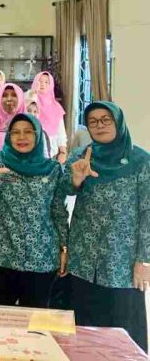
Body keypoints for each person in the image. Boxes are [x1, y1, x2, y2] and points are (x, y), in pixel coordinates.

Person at [64, 102, 150, 351]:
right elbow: (61, 190)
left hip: (121, 261)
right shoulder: (81, 156)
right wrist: (75, 181)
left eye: (105, 120)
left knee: (121, 332)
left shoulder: (141, 160)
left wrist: (144, 260)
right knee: (83, 330)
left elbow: (148, 211)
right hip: (83, 258)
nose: (99, 125)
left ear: (118, 122)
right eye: (93, 121)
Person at [0, 113, 68, 307]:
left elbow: (58, 211)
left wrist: (64, 248)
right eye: (15, 132)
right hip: (0, 251)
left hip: (41, 255)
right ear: (8, 136)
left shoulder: (53, 170)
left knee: (35, 320)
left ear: (39, 136)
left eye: (28, 132)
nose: (21, 137)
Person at [29, 72, 68, 163]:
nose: (43, 84)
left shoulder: (56, 106)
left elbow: (61, 131)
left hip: (50, 153)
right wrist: (33, 94)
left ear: (51, 85)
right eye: (40, 81)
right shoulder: (30, 101)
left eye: (47, 82)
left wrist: (63, 152)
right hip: (29, 151)